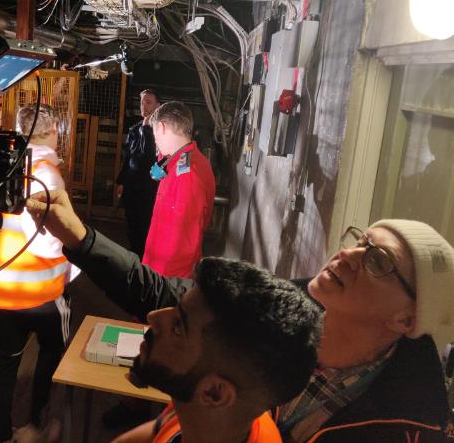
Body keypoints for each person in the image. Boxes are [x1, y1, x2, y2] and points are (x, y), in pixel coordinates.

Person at [26, 190, 454, 443]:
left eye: (378, 261)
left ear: (406, 320)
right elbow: (169, 297)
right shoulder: (287, 312)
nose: (350, 254)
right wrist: (77, 236)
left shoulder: (411, 424)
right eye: (360, 240)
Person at [0, 104, 73, 443]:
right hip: (42, 293)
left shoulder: (0, 166)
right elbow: (50, 241)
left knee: (4, 363)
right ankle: (39, 423)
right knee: (53, 354)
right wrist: (72, 266)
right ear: (53, 131)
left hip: (0, 288)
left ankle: (1, 434)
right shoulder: (47, 173)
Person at [143, 101, 216, 278]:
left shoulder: (186, 175)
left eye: (155, 136)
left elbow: (181, 242)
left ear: (161, 127)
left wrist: (158, 282)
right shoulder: (185, 159)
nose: (156, 142)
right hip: (161, 267)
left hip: (168, 275)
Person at [116, 89, 161, 258]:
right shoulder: (135, 129)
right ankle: (135, 254)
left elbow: (149, 157)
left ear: (158, 106)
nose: (144, 106)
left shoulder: (159, 132)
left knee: (145, 225)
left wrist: (147, 128)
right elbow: (127, 157)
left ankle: (144, 258)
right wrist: (121, 181)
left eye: (148, 102)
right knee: (131, 223)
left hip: (148, 188)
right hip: (131, 186)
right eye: (142, 102)